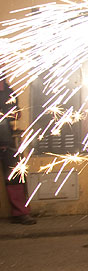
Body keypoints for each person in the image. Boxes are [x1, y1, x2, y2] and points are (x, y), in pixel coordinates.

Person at [0, 79, 35, 225]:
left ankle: (20, 212)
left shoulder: (6, 87)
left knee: (16, 176)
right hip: (5, 138)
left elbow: (15, 110)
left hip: (8, 140)